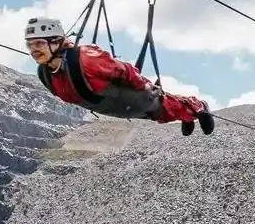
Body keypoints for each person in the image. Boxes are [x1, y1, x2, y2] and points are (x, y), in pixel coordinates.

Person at [23, 17, 215, 135]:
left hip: (132, 98)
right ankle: (186, 116)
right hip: (116, 107)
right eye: (30, 45)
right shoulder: (46, 74)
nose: (34, 50)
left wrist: (145, 88)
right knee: (158, 116)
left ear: (56, 42)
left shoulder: (86, 58)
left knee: (162, 107)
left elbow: (125, 71)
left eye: (39, 44)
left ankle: (198, 107)